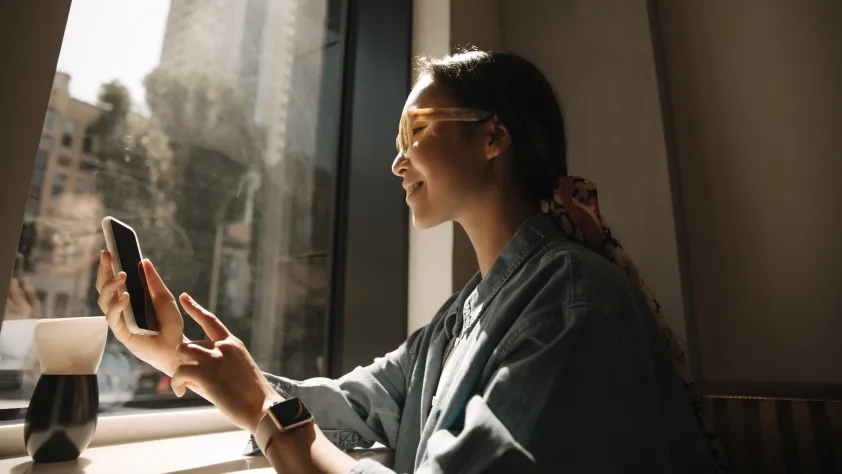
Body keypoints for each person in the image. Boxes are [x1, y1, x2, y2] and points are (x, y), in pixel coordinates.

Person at [95, 50, 726, 473]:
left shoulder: (572, 303)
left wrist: (265, 413)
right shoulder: (456, 321)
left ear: (493, 136)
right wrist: (181, 359)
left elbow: (281, 412)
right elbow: (348, 406)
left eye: (415, 132)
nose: (398, 162)